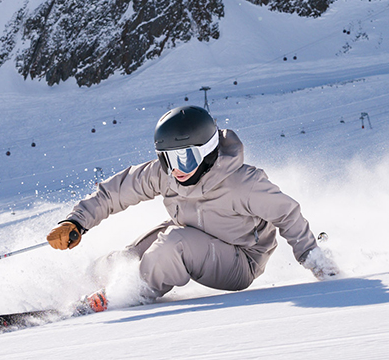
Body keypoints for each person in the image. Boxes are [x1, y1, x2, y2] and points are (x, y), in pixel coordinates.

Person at [47, 105, 339, 299]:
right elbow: (115, 192)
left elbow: (287, 214)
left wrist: (315, 260)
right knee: (127, 259)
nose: (177, 168)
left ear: (208, 150)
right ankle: (85, 287)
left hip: (241, 260)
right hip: (191, 235)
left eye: (185, 157)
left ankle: (129, 294)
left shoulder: (243, 183)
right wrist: (76, 221)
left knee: (174, 244)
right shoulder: (165, 175)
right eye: (169, 158)